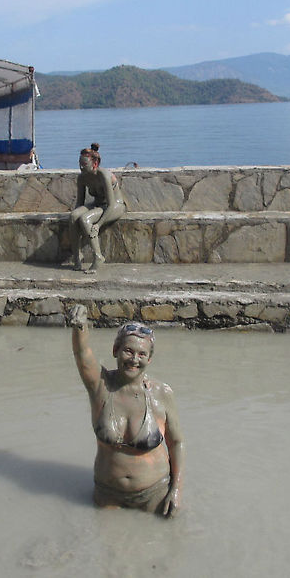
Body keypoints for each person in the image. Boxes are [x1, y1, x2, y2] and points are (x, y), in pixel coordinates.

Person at [68, 304, 184, 517]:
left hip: (155, 492)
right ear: (115, 351)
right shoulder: (100, 386)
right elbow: (82, 354)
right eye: (128, 351)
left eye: (142, 354)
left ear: (149, 359)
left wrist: (176, 491)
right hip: (107, 493)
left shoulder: (162, 394)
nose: (134, 359)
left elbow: (176, 443)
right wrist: (80, 327)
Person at [70, 143, 126, 273]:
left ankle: (98, 257)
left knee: (85, 220)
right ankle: (77, 256)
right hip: (98, 204)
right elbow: (80, 202)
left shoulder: (104, 176)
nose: (81, 168)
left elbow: (111, 204)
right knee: (74, 216)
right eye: (80, 164)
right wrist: (75, 216)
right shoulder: (82, 178)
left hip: (114, 206)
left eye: (84, 165)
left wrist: (98, 224)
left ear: (94, 164)